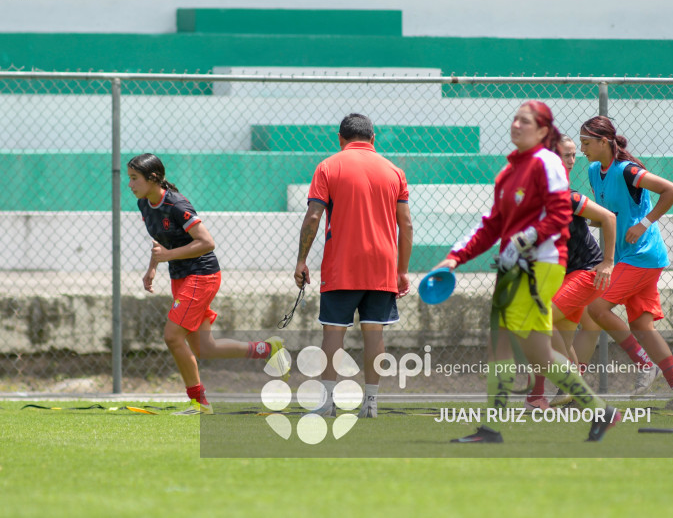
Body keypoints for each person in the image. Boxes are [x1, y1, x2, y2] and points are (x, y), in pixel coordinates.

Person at [435, 101, 619, 444]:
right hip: (514, 268)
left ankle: (593, 410)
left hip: (539, 266)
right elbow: (492, 224)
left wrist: (526, 238)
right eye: (515, 119)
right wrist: (455, 258)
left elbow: (559, 213)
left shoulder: (546, 163)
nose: (516, 124)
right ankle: (596, 412)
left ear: (542, 130)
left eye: (525, 120)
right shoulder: (508, 172)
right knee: (511, 346)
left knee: (527, 347)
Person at [127, 153, 286, 415]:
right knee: (205, 348)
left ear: (153, 178)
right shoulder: (145, 203)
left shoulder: (177, 204)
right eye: (129, 178)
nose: (130, 184)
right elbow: (161, 240)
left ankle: (199, 403)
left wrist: (167, 256)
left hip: (201, 275)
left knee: (172, 336)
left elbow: (206, 242)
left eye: (135, 178)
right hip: (182, 276)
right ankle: (268, 349)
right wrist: (152, 268)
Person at [294, 113, 413, 419]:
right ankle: (370, 404)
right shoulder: (394, 171)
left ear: (340, 139)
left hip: (341, 266)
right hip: (382, 266)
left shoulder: (328, 166)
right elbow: (407, 225)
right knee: (375, 334)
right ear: (373, 139)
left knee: (333, 335)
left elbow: (313, 217)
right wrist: (402, 270)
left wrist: (301, 260)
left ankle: (327, 403)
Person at [579, 116, 673, 410]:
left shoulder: (629, 170)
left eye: (586, 143)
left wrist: (644, 223)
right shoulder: (595, 171)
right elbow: (609, 216)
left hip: (644, 256)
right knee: (642, 325)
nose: (582, 149)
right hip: (627, 256)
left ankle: (645, 364)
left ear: (603, 142)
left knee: (596, 307)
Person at [524, 134, 616, 410]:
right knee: (561, 338)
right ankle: (568, 392)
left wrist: (609, 262)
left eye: (574, 154)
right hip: (566, 275)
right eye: (567, 155)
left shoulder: (568, 196)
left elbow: (609, 218)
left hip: (587, 272)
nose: (573, 161)